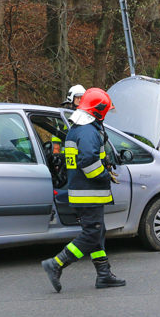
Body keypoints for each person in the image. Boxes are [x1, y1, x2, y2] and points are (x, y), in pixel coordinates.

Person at [41, 88, 125, 292]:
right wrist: (104, 175)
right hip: (89, 193)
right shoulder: (88, 131)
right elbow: (88, 161)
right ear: (98, 110)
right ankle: (56, 264)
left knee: (97, 232)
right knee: (91, 235)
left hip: (82, 192)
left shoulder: (77, 129)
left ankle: (104, 275)